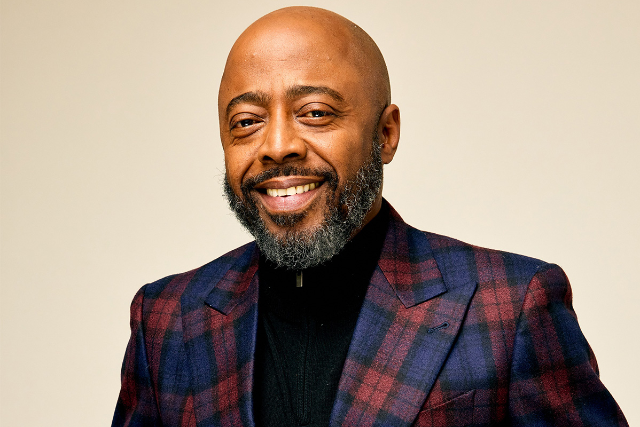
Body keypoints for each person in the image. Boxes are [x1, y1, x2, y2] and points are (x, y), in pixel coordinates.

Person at [112, 6, 627, 427]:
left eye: (315, 112)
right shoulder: (166, 320)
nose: (277, 145)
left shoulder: (511, 306)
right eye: (246, 121)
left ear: (385, 134)